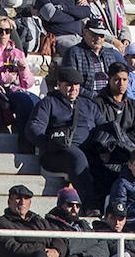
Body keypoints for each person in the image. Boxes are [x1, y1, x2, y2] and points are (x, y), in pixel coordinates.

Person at [26, 67, 101, 205]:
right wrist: (50, 144)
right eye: (68, 85)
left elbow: (103, 126)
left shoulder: (88, 105)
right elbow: (33, 128)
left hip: (87, 149)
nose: (73, 89)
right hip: (56, 153)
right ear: (59, 84)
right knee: (77, 157)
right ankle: (90, 205)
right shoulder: (48, 103)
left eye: (76, 85)